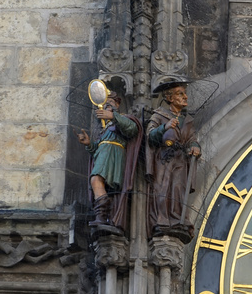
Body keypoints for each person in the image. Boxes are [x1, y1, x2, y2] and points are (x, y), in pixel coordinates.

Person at [75, 89, 140, 230]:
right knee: (102, 186)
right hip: (104, 155)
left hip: (113, 155)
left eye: (110, 102)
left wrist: (113, 116)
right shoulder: (104, 128)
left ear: (117, 104)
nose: (106, 105)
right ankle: (105, 217)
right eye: (104, 104)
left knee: (95, 180)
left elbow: (132, 129)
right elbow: (98, 149)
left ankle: (102, 216)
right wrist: (89, 144)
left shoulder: (123, 119)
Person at [146, 81, 201, 240]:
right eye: (180, 94)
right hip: (164, 158)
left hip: (181, 159)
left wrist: (195, 147)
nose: (185, 97)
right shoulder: (159, 115)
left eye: (184, 93)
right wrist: (165, 127)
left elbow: (192, 139)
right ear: (170, 98)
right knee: (163, 188)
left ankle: (178, 219)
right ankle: (162, 219)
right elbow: (150, 136)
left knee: (178, 188)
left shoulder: (187, 120)